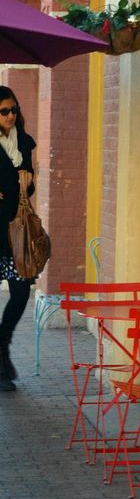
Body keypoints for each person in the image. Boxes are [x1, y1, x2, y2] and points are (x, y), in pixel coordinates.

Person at [0, 86, 36, 392]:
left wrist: (24, 183)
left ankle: (3, 341)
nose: (10, 115)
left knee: (21, 291)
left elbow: (28, 186)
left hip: (16, 229)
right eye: (4, 111)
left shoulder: (24, 142)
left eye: (13, 109)